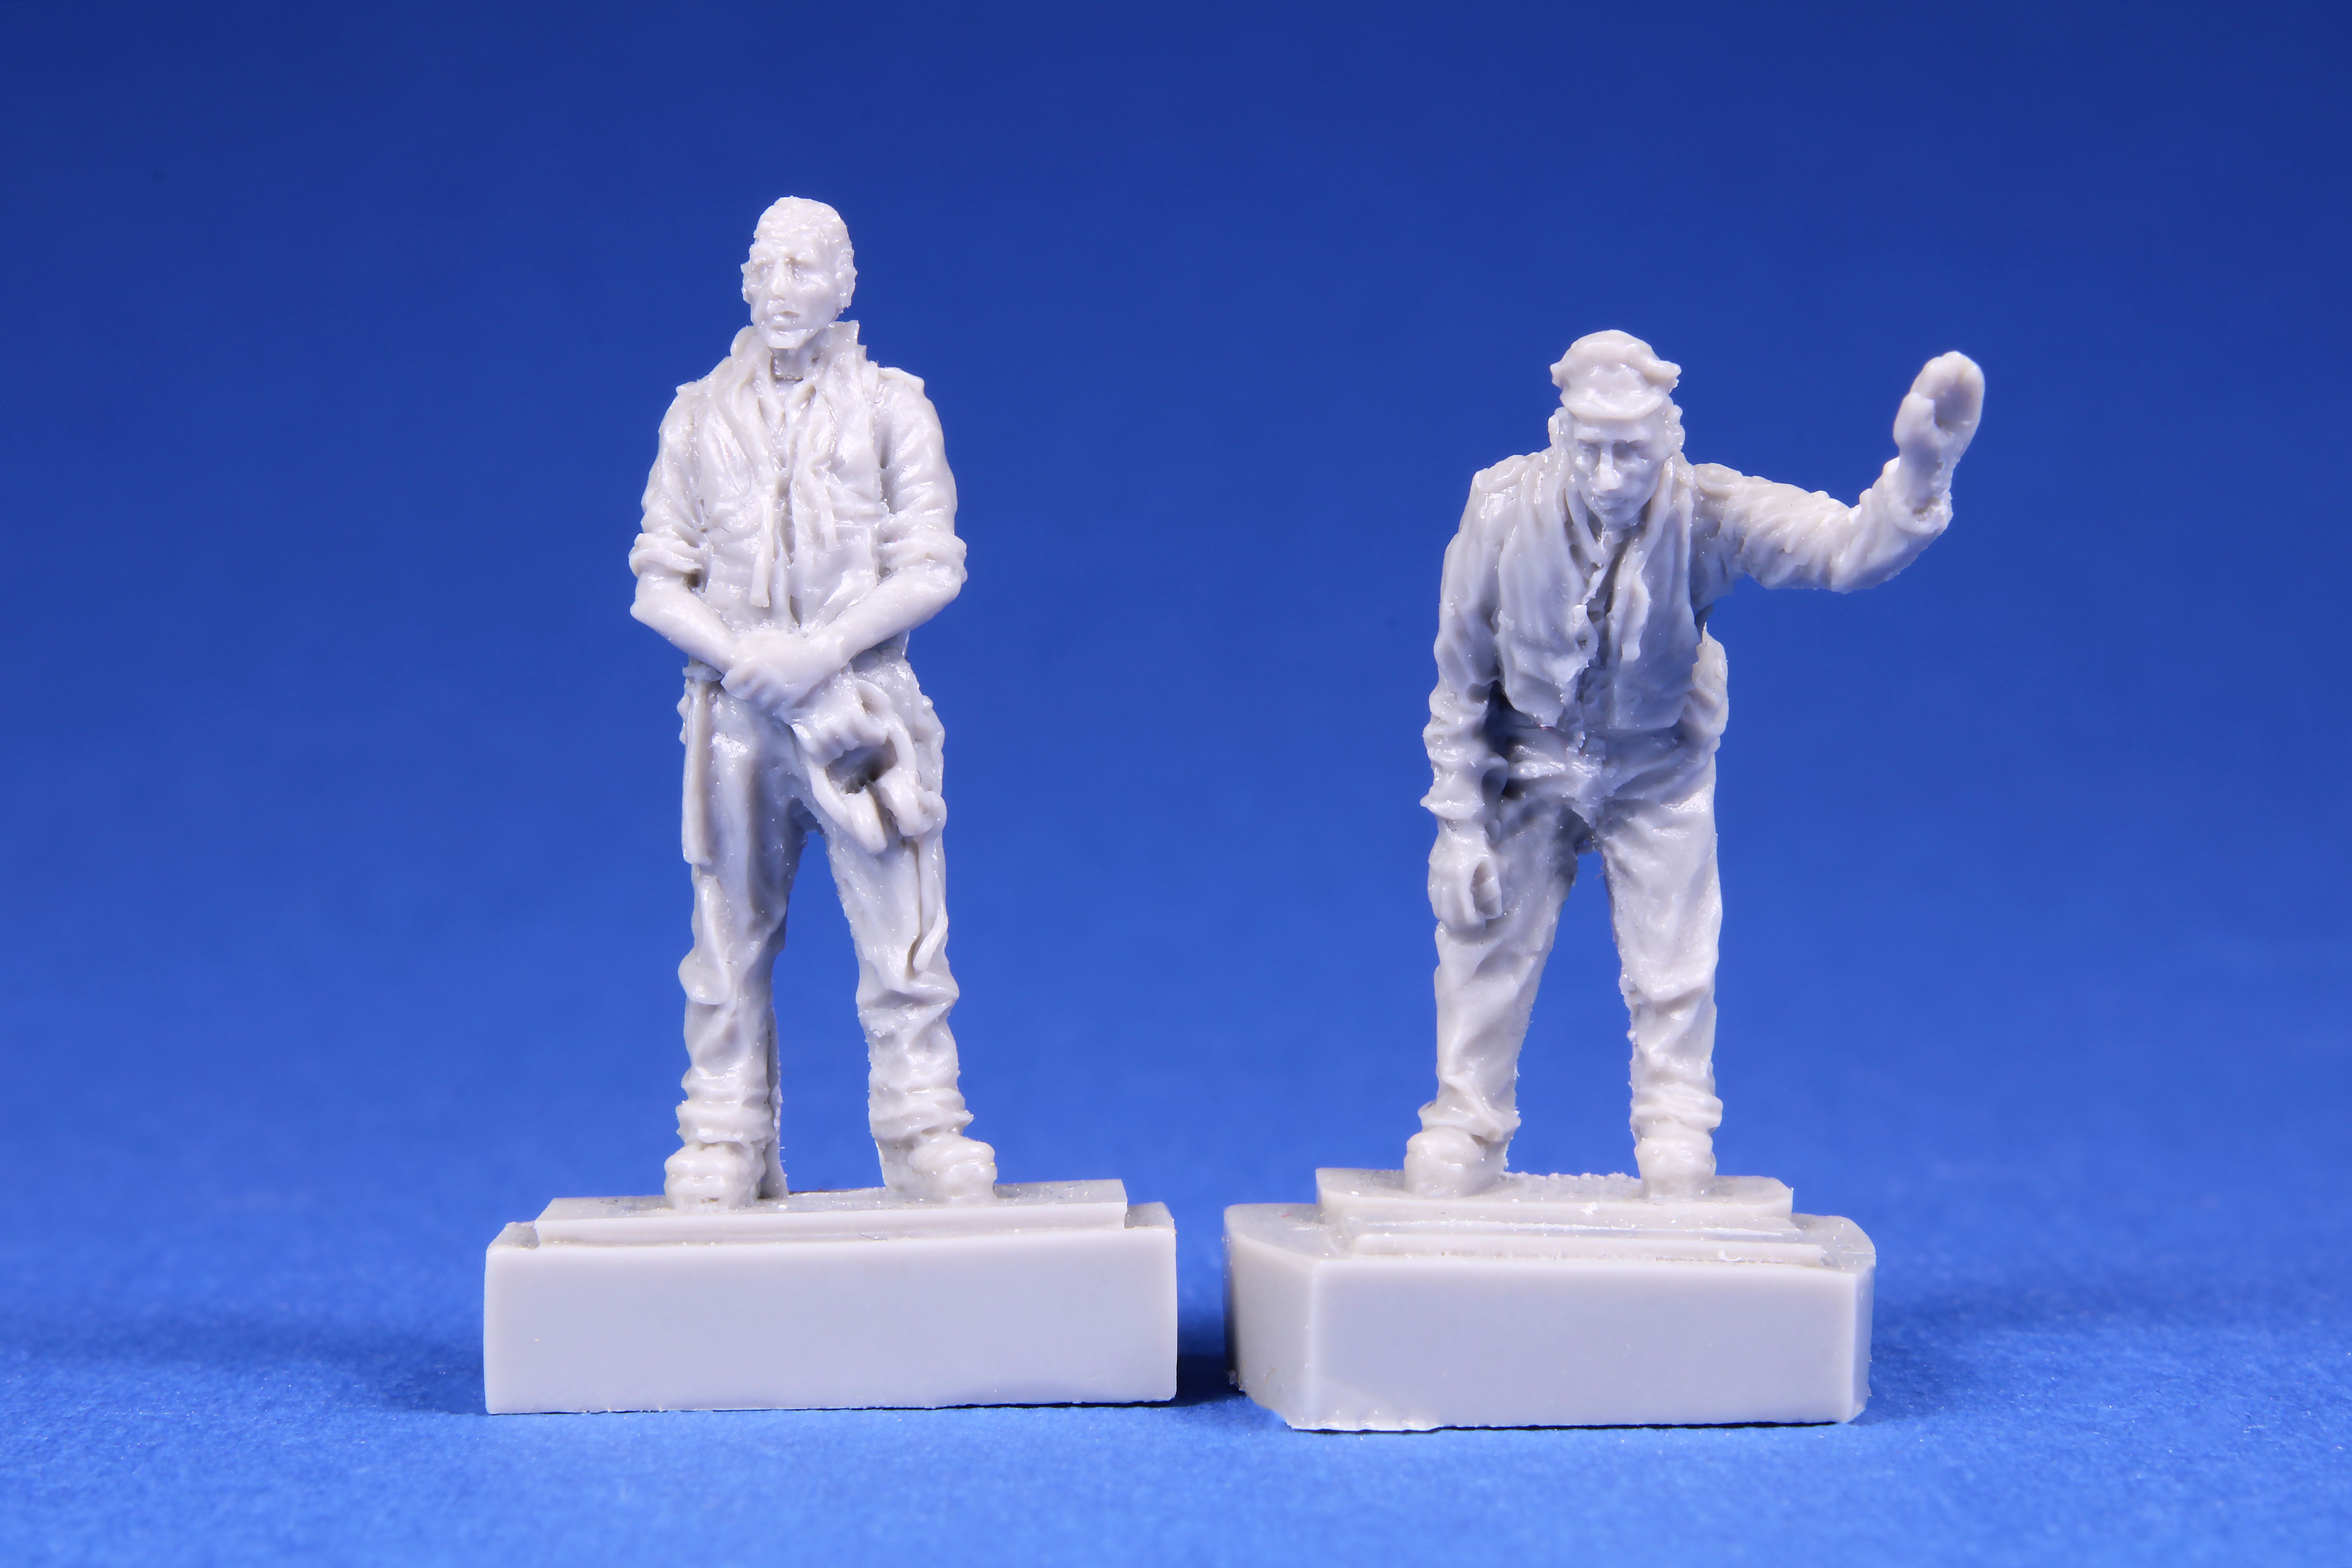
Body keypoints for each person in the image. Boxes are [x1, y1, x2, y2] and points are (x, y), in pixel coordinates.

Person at [1410, 330, 1983, 1198]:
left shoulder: (1708, 511)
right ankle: (1466, 1121)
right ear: (1561, 437)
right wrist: (1459, 827)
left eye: (1631, 451)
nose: (1610, 475)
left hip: (1655, 768)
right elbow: (1458, 678)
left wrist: (1919, 475)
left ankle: (1675, 1125)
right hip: (1527, 759)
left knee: (1673, 963)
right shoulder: (1499, 508)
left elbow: (1841, 550)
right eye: (1592, 450)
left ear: (1667, 440)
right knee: (1485, 946)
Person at [627, 197, 997, 1209]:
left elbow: (932, 564)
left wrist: (824, 654)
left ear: (844, 283)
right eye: (765, 267)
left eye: (804, 268)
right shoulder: (698, 413)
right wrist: (749, 658)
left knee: (903, 933)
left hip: (860, 712)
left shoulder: (892, 408)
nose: (781, 289)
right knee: (727, 935)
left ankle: (923, 1126)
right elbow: (659, 579)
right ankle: (724, 1132)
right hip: (738, 720)